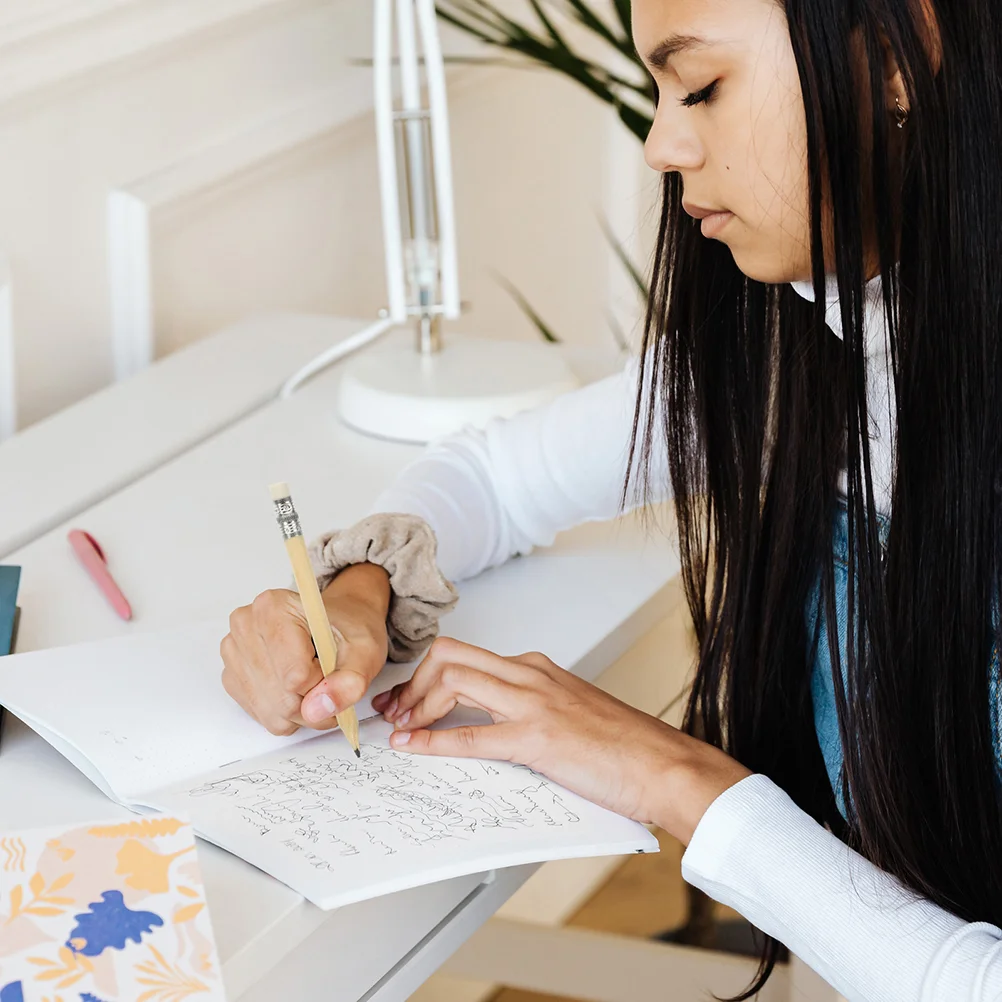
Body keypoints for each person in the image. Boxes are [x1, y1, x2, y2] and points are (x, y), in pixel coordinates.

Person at [220, 0, 1002, 996]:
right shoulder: (808, 339)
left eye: (704, 86)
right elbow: (495, 478)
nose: (661, 144)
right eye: (657, 91)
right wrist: (357, 596)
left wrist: (672, 778)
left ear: (901, 58)